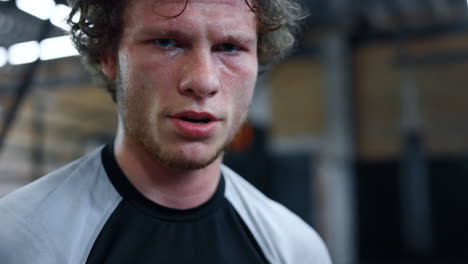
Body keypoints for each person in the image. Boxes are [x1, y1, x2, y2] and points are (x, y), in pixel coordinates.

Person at [0, 0, 331, 263]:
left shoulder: (295, 248)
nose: (203, 81)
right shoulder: (19, 238)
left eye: (230, 47)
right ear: (109, 56)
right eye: (166, 41)